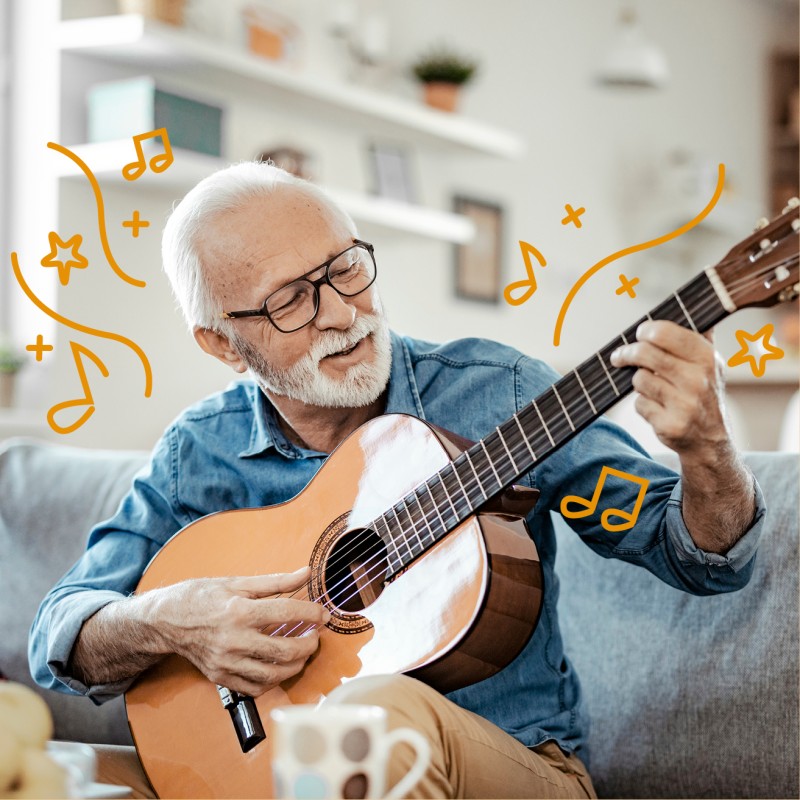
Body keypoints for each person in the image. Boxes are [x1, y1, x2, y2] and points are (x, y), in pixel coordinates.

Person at [29, 162, 764, 799]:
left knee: (375, 716)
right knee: (54, 776)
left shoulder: (497, 397)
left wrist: (707, 450)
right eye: (291, 300)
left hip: (513, 769)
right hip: (273, 776)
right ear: (223, 344)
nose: (344, 313)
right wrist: (171, 620)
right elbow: (60, 631)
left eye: (345, 266)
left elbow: (692, 555)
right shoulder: (201, 452)